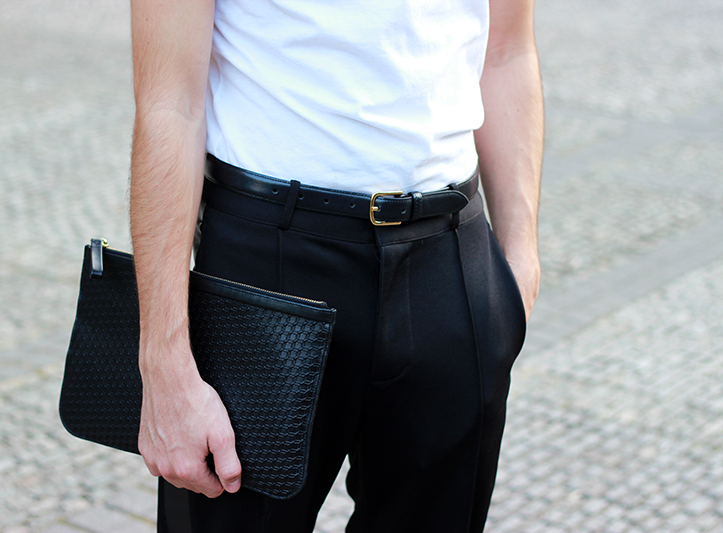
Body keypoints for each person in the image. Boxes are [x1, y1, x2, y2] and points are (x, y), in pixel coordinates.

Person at [129, 0, 542, 530]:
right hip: (266, 268)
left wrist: (519, 263)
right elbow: (169, 103)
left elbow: (507, 51)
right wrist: (163, 364)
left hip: (450, 260)